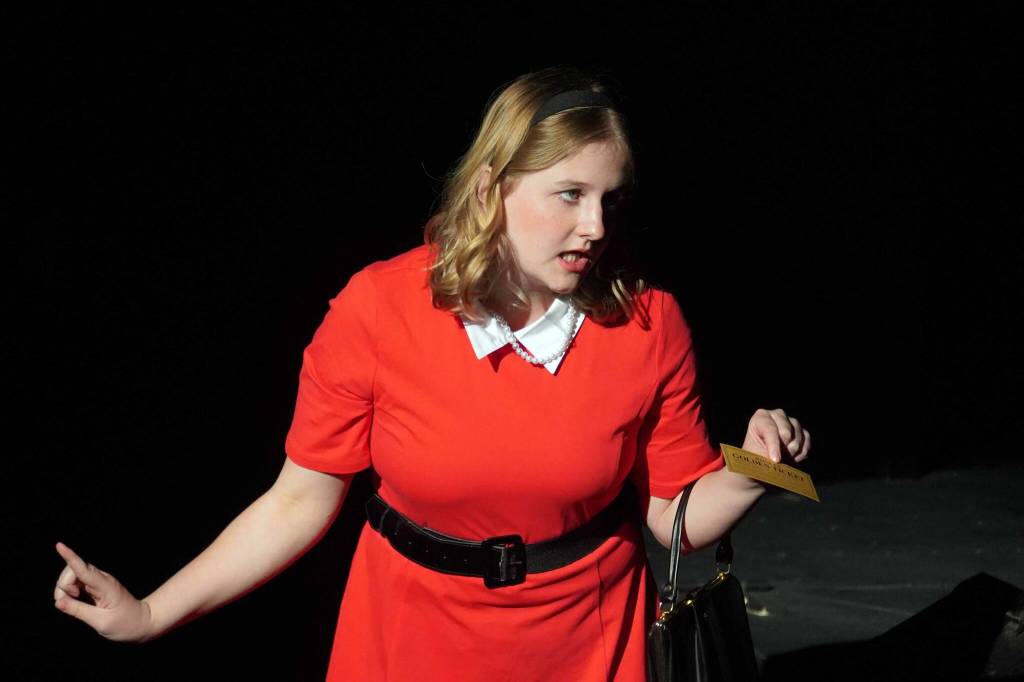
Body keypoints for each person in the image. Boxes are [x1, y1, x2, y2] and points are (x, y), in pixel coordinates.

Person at [52, 65, 811, 681]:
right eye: (570, 195)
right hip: (410, 638)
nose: (597, 227)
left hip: (587, 643)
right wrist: (151, 614)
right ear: (492, 188)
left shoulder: (647, 322)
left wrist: (753, 472)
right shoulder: (379, 308)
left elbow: (674, 515)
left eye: (611, 200)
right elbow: (296, 504)